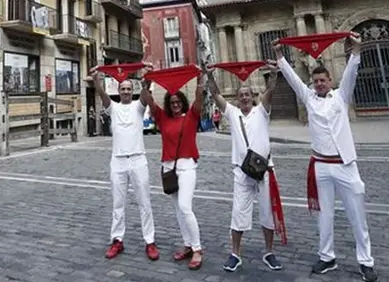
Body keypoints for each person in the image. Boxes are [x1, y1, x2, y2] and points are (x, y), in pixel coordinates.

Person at [275, 35, 378, 282]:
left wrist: (356, 51)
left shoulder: (341, 96)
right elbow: (292, 78)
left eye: (323, 80)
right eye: (316, 81)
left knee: (357, 216)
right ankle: (327, 256)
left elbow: (352, 72)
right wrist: (279, 56)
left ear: (330, 81)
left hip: (345, 165)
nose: (319, 84)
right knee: (324, 216)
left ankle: (366, 261)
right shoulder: (308, 97)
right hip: (320, 165)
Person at [207, 66, 283, 273]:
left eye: (247, 94)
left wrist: (273, 74)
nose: (244, 98)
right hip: (241, 172)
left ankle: (269, 252)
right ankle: (235, 254)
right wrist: (209, 75)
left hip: (264, 171)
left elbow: (270, 90)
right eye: (241, 95)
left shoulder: (262, 111)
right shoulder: (233, 113)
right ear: (237, 99)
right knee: (238, 213)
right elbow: (216, 94)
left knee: (267, 214)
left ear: (253, 97)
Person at [90, 67, 159, 261]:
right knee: (118, 204)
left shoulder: (138, 107)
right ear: (119, 91)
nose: (126, 92)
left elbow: (145, 94)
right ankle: (117, 240)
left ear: (132, 90)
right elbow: (102, 95)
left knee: (144, 202)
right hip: (118, 160)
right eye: (123, 89)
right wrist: (96, 80)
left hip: (138, 159)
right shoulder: (113, 107)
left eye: (129, 89)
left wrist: (147, 77)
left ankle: (150, 241)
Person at [141, 81, 205, 270]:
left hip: (187, 166)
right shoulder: (163, 118)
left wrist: (200, 81)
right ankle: (187, 244)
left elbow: (199, 99)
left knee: (185, 207)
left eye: (178, 102)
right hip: (169, 168)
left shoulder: (191, 116)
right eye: (172, 102)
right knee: (178, 209)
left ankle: (197, 248)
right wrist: (145, 84)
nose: (175, 105)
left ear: (183, 102)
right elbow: (149, 101)